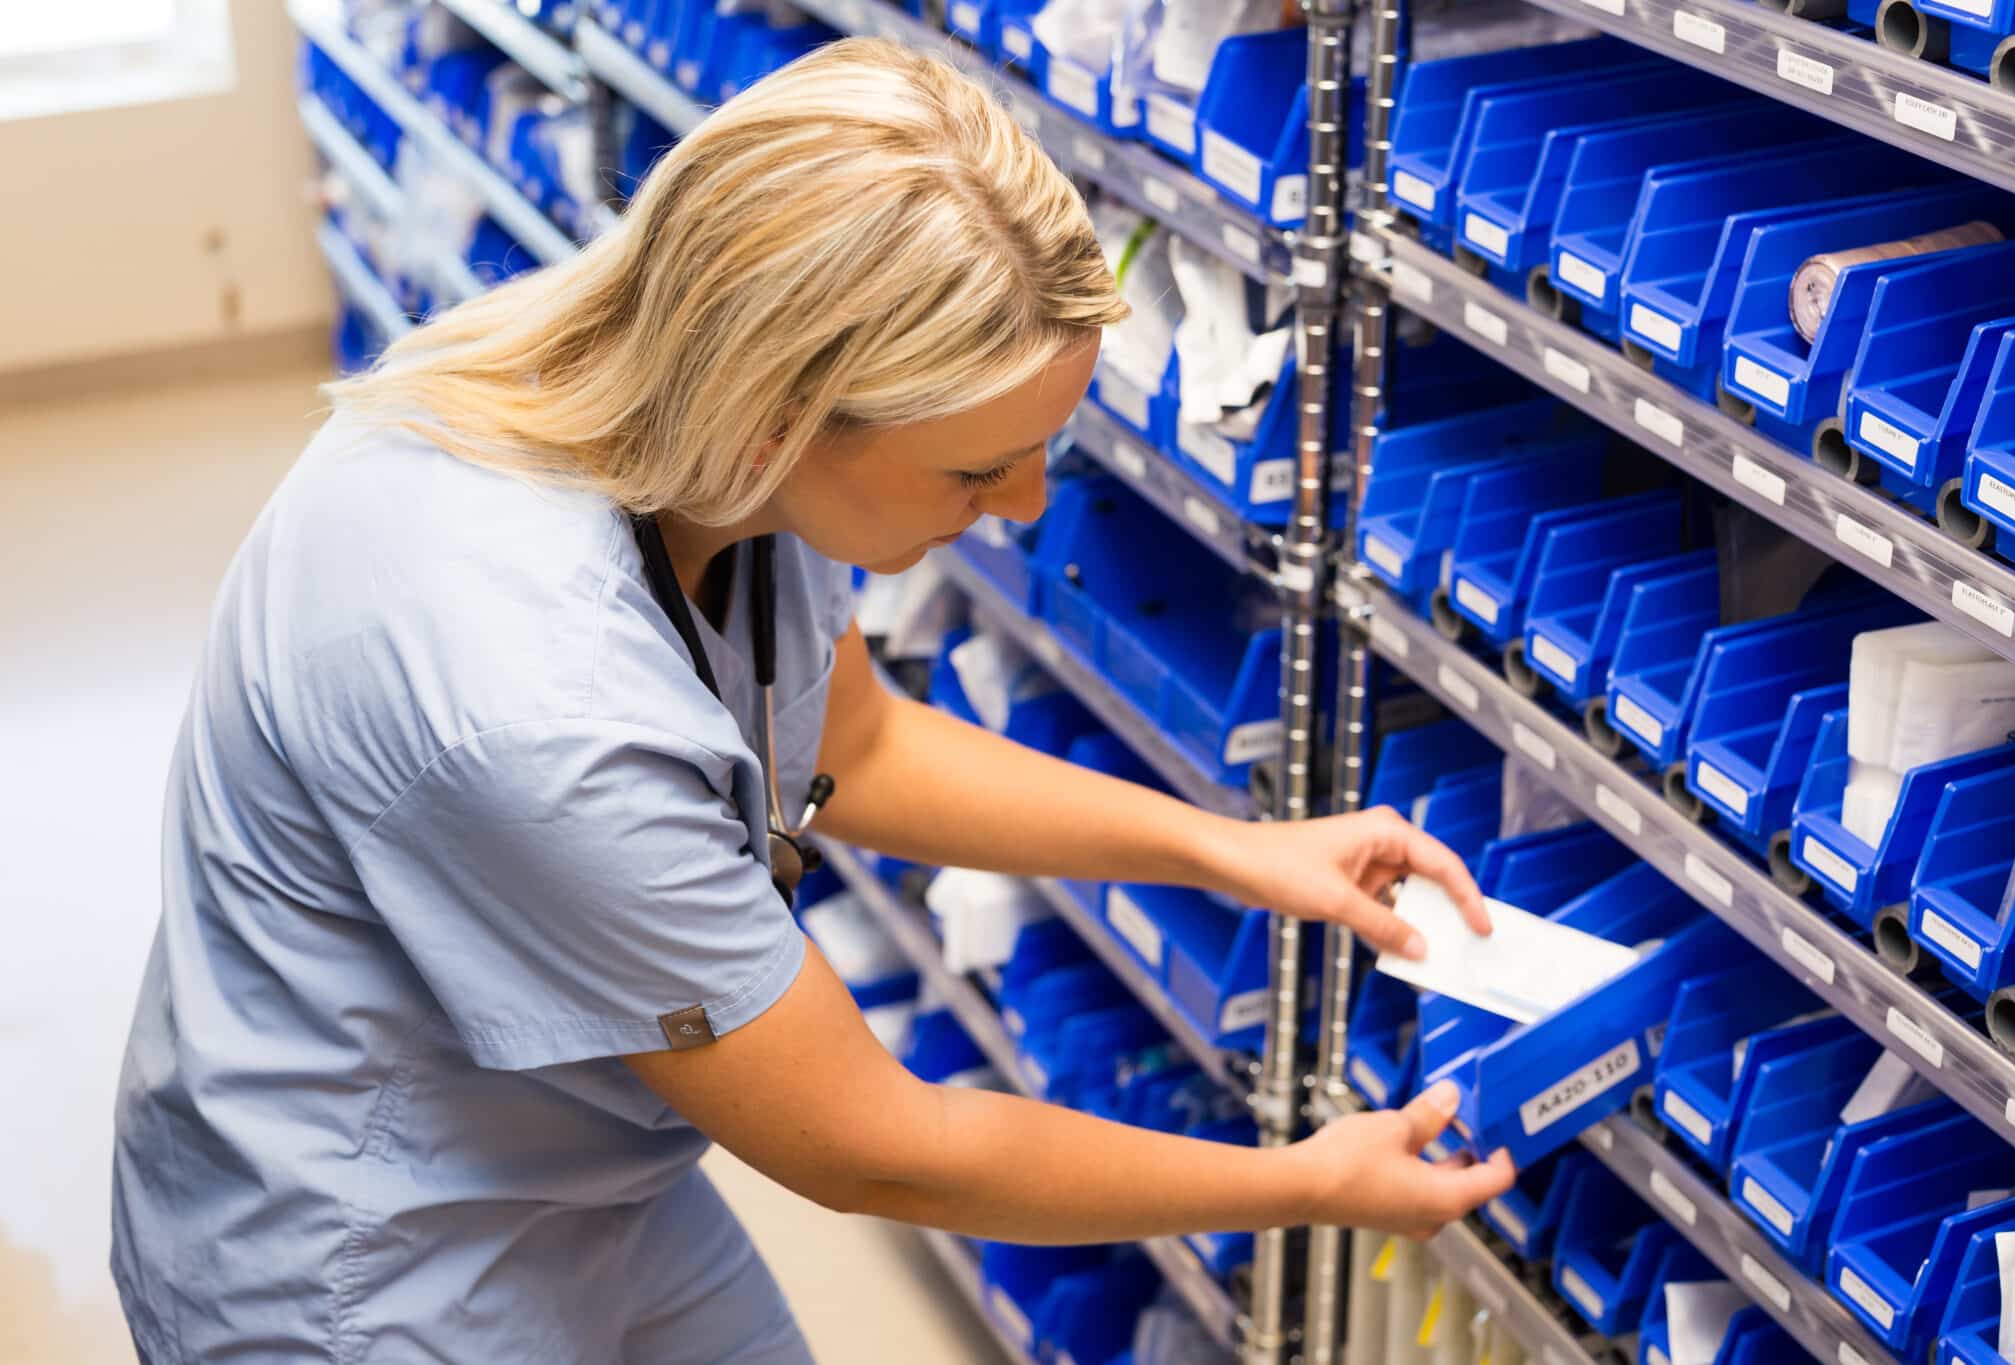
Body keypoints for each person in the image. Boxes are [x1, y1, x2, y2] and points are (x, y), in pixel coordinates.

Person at [111, 37, 1511, 1364]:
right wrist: (1305, 1180)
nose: (1020, 513)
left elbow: (859, 743)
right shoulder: (529, 693)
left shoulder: (698, 417)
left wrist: (1234, 849)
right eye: (976, 473)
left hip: (585, 1157)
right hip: (368, 1244)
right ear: (780, 412)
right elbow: (876, 1142)